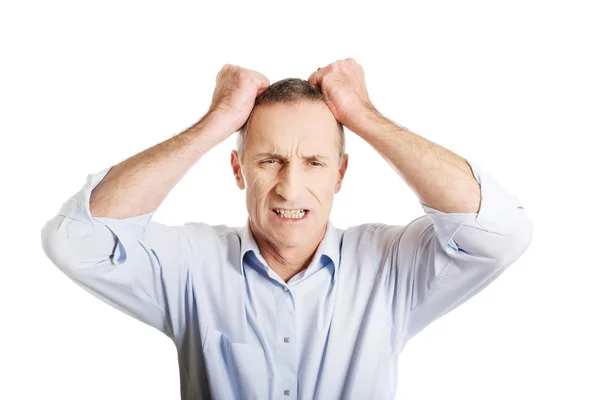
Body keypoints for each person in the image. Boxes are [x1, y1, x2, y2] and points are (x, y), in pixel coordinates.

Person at [40, 58, 533, 399]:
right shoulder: (191, 263)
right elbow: (76, 243)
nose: (289, 189)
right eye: (270, 160)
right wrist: (216, 121)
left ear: (340, 173)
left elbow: (498, 233)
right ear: (238, 170)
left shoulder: (390, 267)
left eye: (315, 162)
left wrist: (363, 116)